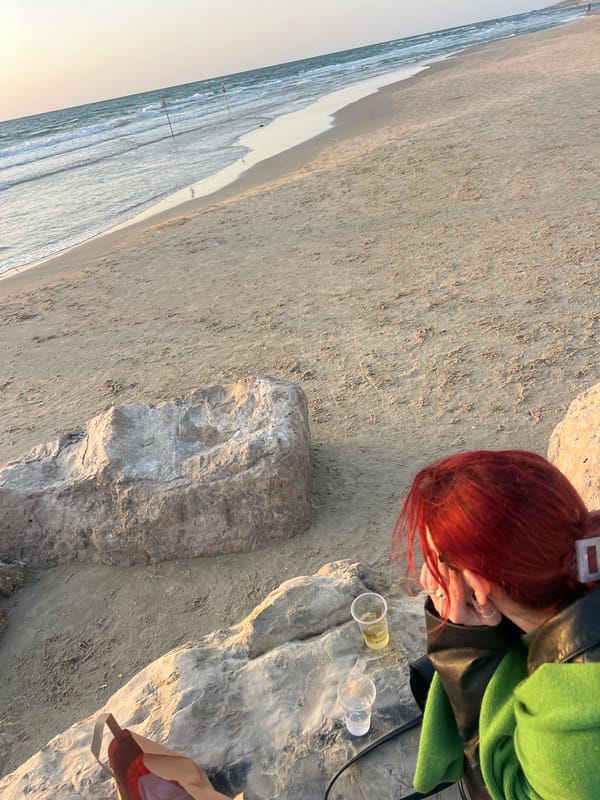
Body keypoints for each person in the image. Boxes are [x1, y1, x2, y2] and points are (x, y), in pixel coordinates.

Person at [392, 450, 600, 800]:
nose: (432, 577)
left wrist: (463, 650)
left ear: (476, 588)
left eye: (438, 562)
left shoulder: (570, 732)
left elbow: (510, 787)